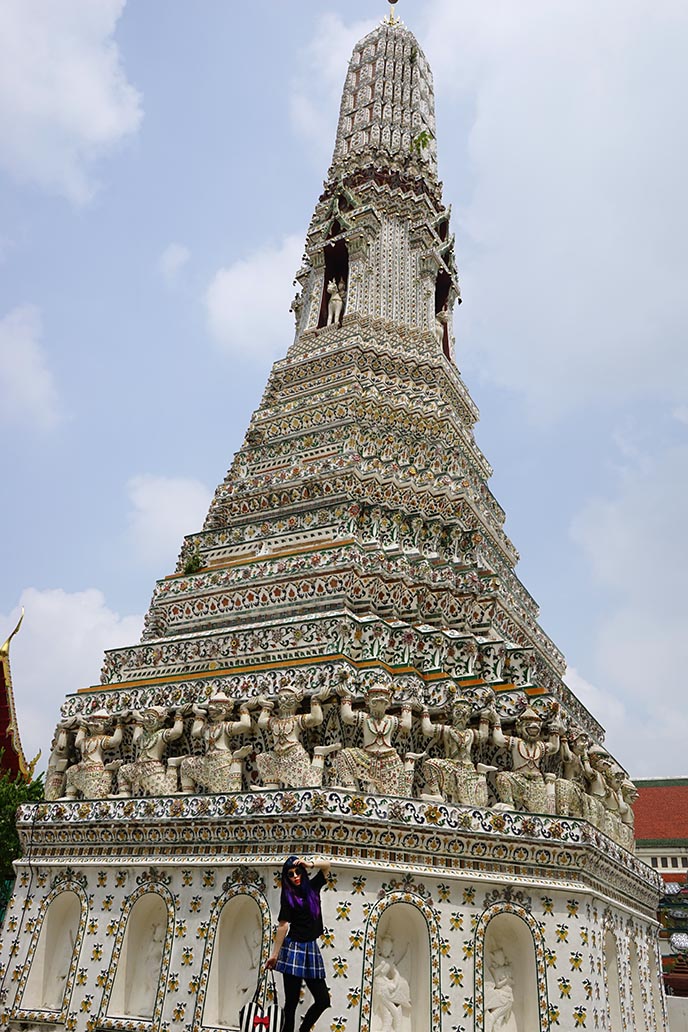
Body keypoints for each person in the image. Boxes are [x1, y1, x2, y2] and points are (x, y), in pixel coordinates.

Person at [266, 855, 331, 1032]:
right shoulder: (288, 896)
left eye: (297, 872)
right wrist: (274, 955)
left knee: (323, 1000)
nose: (295, 876)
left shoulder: (312, 887)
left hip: (311, 947)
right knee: (291, 1003)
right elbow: (283, 926)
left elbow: (327, 866)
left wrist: (309, 863)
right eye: (290, 874)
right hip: (293, 948)